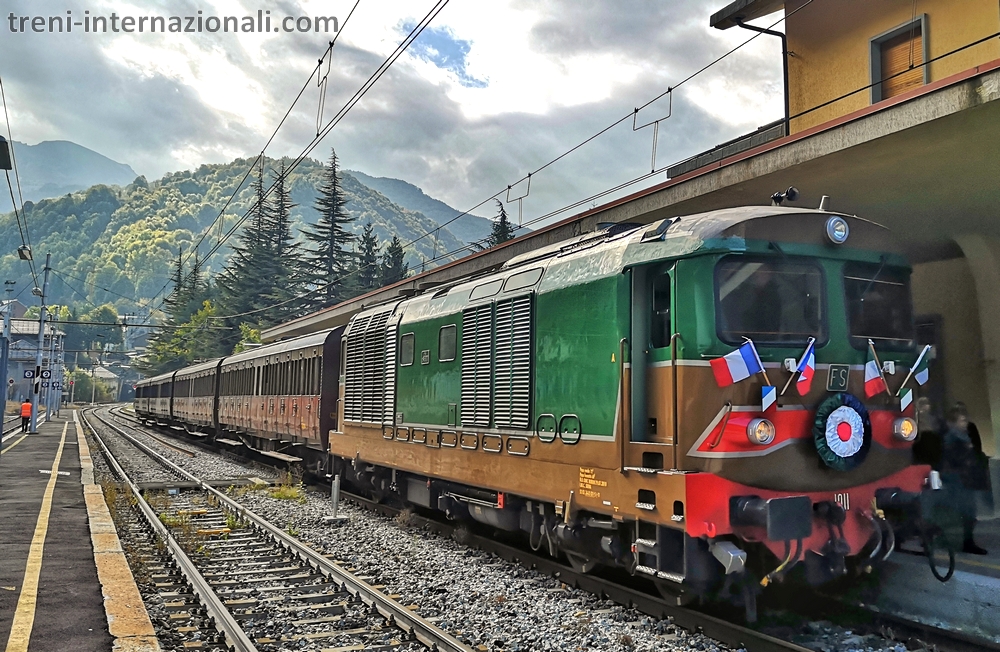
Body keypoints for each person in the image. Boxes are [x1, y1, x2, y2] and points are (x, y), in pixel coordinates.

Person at [941, 405, 988, 554]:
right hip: (958, 482)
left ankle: (964, 541)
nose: (965, 423)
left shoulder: (963, 436)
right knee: (965, 514)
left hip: (966, 480)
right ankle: (964, 542)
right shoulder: (951, 439)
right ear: (954, 422)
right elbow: (952, 460)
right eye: (962, 420)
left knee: (968, 514)